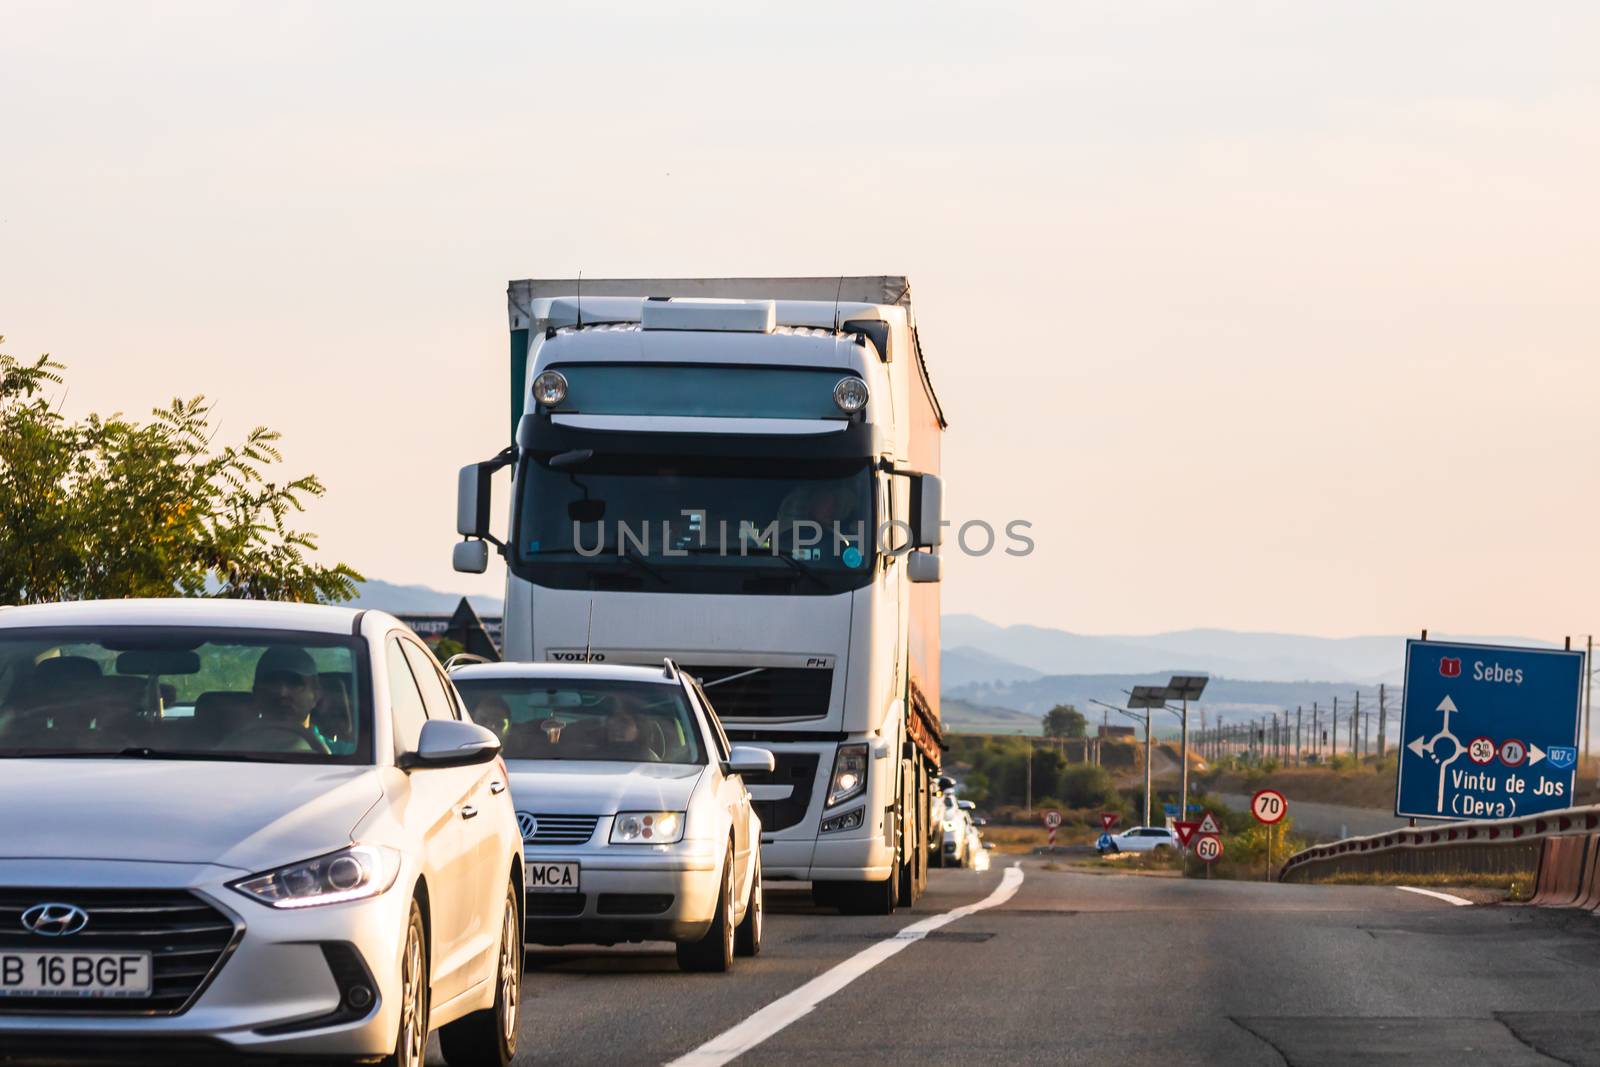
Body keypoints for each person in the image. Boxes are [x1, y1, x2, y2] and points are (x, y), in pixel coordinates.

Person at [237, 646, 330, 754]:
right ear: (256, 693)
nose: (282, 692)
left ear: (315, 694)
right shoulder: (229, 747)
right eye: (271, 682)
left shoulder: (342, 749)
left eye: (294, 682)